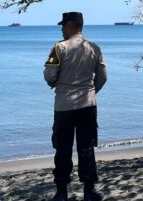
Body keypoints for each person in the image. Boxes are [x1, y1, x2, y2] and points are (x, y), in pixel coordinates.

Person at [44, 12, 107, 201]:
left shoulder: (58, 48)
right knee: (86, 148)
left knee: (62, 149)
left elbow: (49, 76)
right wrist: (91, 91)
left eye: (63, 26)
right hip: (87, 105)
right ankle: (89, 191)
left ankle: (62, 192)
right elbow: (103, 76)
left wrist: (57, 82)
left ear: (71, 26)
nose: (61, 29)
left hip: (64, 106)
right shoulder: (94, 48)